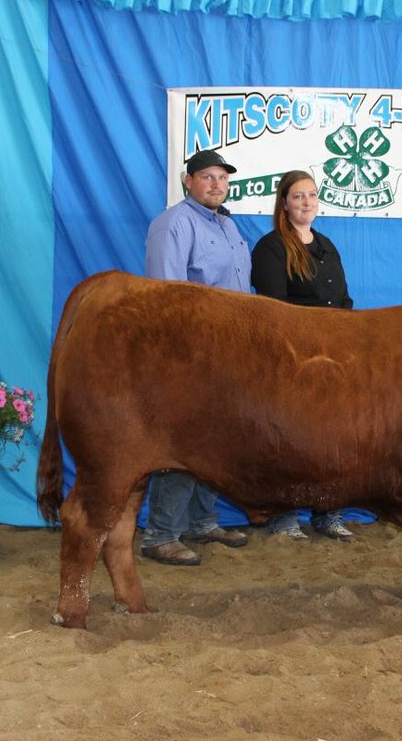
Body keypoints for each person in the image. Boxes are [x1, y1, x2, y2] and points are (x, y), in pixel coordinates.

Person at [140, 149, 250, 566]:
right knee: (182, 444)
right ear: (188, 181)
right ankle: (160, 535)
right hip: (190, 355)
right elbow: (166, 297)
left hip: (228, 352)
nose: (216, 185)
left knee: (214, 443)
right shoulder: (173, 223)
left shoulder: (226, 224)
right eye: (207, 177)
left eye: (222, 178)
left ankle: (203, 523)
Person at [250, 169, 355, 541]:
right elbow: (274, 309)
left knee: (330, 438)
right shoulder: (271, 247)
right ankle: (283, 516)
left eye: (311, 195)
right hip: (291, 358)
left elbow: (343, 301)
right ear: (284, 203)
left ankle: (328, 512)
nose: (306, 202)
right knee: (287, 439)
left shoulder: (327, 245)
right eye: (298, 196)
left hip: (330, 358)